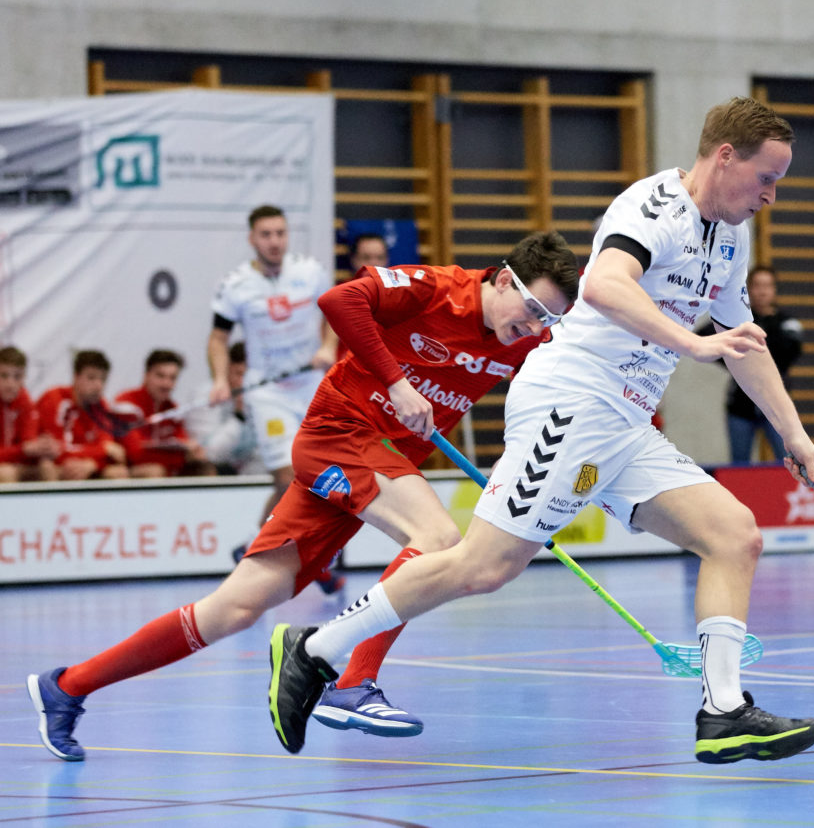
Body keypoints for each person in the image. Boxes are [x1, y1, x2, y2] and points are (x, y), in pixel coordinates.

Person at [263, 97, 814, 765]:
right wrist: (692, 344)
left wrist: (793, 431)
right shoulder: (653, 209)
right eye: (767, 177)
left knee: (734, 535)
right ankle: (315, 648)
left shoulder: (731, 238)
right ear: (724, 157)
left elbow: (746, 343)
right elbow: (606, 287)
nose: (770, 194)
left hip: (625, 421)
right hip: (572, 401)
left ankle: (724, 711)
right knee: (484, 565)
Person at [25, 231, 580, 762]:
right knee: (437, 538)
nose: (535, 325)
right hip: (341, 432)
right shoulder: (436, 287)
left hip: (379, 459)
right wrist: (395, 380)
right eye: (532, 308)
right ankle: (355, 681)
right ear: (504, 280)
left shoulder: (527, 342)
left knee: (234, 609)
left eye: (548, 318)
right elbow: (339, 301)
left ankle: (67, 686)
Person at [208, 204, 337, 528]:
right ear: (252, 238)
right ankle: (262, 550)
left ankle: (281, 551)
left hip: (310, 386)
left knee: (322, 475)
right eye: (266, 235)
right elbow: (218, 339)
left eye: (280, 233)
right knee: (288, 478)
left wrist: (327, 346)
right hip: (267, 391)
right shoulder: (236, 285)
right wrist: (220, 380)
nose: (274, 242)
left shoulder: (310, 272)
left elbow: (336, 312)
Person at [717, 265, 803, 463]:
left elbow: (788, 353)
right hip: (740, 405)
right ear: (748, 289)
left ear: (774, 289)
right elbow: (705, 338)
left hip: (776, 404)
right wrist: (735, 361)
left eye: (767, 286)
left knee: (788, 459)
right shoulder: (736, 320)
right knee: (739, 463)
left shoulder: (787, 322)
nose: (762, 291)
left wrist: (752, 341)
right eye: (757, 285)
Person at [114, 349, 217, 478]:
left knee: (204, 468)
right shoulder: (127, 404)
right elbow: (135, 454)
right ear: (146, 375)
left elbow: (183, 443)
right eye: (160, 376)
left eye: (172, 378)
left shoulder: (173, 409)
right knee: (155, 471)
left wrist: (194, 452)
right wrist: (182, 457)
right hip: (127, 470)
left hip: (165, 469)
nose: (166, 384)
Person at [33, 350, 129, 481]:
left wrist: (92, 464)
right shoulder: (54, 399)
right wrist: (100, 452)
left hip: (83, 464)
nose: (98, 385)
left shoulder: (101, 406)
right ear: (75, 377)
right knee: (48, 467)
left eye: (103, 379)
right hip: (56, 464)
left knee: (118, 472)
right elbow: (54, 450)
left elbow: (113, 452)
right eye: (91, 378)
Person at [186, 342, 267, 476]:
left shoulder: (259, 397)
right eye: (239, 374)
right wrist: (238, 416)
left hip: (247, 473)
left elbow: (263, 451)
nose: (244, 382)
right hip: (212, 471)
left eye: (248, 376)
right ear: (226, 370)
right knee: (206, 469)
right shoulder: (205, 396)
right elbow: (208, 454)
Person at [0, 345, 59, 482]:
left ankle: (54, 503)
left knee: (47, 467)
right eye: (4, 376)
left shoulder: (26, 403)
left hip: (15, 463)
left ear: (24, 377)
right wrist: (23, 450)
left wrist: (47, 447)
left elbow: (29, 443)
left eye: (17, 377)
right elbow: (24, 449)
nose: (10, 383)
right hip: (7, 466)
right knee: (6, 472)